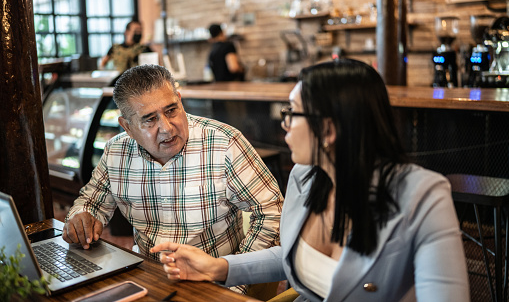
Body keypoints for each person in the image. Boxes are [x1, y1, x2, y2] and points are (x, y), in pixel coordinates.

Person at [151, 59, 470, 301]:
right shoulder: (305, 177)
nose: (284, 125)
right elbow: (293, 253)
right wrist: (217, 267)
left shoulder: (423, 195)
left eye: (292, 112)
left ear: (328, 130)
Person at [62, 64, 283, 267]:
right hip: (149, 274)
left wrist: (233, 274)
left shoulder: (223, 143)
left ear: (179, 99)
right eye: (150, 119)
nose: (167, 128)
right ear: (127, 127)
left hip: (213, 281)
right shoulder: (116, 152)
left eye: (171, 110)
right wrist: (82, 216)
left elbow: (271, 213)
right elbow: (91, 203)